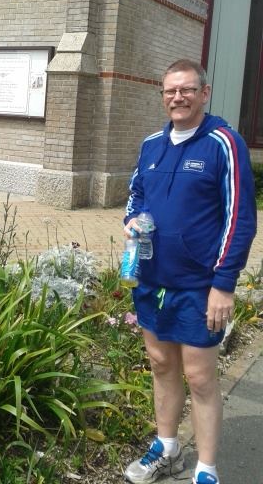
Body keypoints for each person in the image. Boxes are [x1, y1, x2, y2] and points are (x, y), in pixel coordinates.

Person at [123, 59, 256, 484]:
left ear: (204, 93)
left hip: (200, 285)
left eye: (186, 90)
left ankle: (206, 469)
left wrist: (224, 284)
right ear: (162, 95)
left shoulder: (223, 142)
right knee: (161, 364)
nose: (177, 97)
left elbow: (240, 218)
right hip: (151, 278)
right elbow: (136, 193)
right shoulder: (151, 144)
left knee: (200, 377)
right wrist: (132, 219)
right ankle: (167, 448)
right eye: (170, 90)